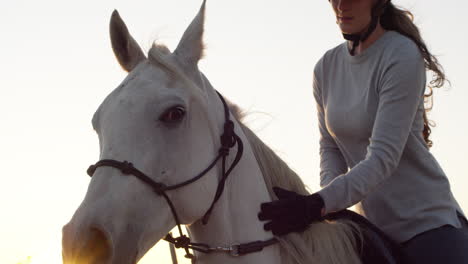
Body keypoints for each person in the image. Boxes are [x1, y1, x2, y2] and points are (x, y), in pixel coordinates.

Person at [257, 0, 468, 263]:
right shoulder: (326, 67)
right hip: (370, 230)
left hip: (428, 228)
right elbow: (330, 147)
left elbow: (383, 158)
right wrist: (329, 205)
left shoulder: (401, 54)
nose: (342, 6)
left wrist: (316, 204)